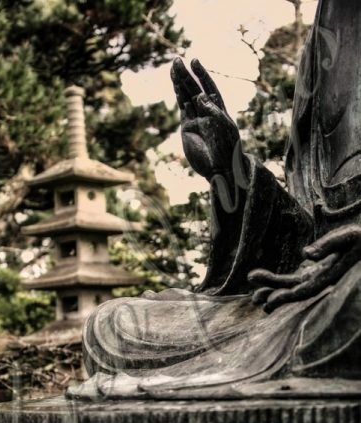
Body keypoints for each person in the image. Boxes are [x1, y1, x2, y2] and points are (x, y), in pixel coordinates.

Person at [72, 0, 361, 400]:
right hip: (300, 298)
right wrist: (231, 171)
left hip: (343, 294)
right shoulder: (323, 37)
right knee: (113, 324)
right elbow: (302, 239)